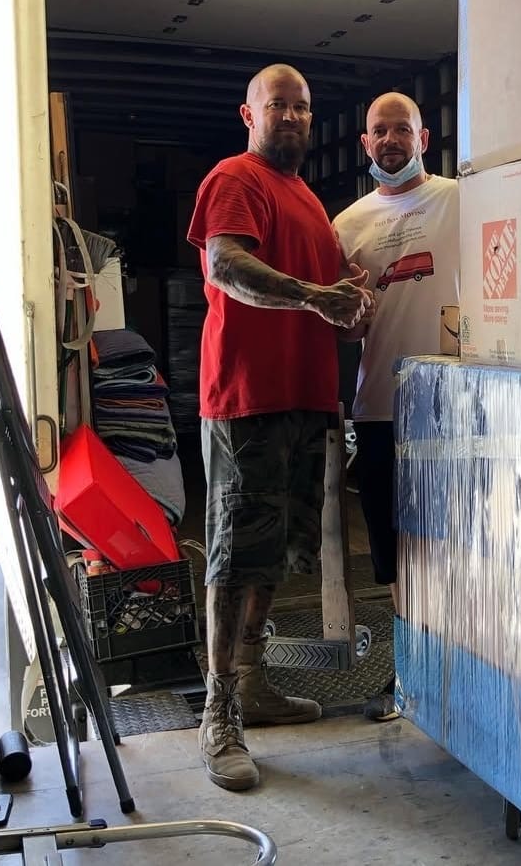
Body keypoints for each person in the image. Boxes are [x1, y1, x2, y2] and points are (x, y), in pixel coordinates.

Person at [187, 63, 375, 792]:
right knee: (234, 555)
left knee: (270, 557)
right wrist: (314, 294)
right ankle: (218, 711)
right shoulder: (235, 178)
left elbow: (331, 296)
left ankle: (252, 680)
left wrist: (349, 295)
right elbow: (227, 264)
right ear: (249, 113)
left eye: (301, 107)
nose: (291, 117)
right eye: (278, 106)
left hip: (302, 400)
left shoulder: (306, 199)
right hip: (247, 400)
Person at [333, 92, 460, 721]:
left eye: (401, 129)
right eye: (378, 130)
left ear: (424, 137)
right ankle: (412, 678)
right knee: (393, 549)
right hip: (380, 405)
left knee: (454, 541)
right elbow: (349, 331)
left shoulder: (462, 200)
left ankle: (457, 672)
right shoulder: (347, 225)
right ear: (365, 143)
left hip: (453, 407)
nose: (390, 139)